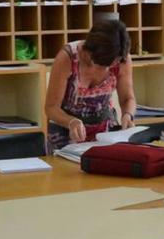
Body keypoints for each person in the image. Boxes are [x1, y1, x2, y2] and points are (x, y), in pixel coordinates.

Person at [44, 18, 136, 151]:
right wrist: (71, 122)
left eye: (113, 63)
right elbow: (51, 108)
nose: (110, 67)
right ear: (92, 52)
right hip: (65, 131)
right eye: (104, 64)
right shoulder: (68, 58)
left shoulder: (121, 58)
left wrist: (128, 114)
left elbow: (127, 98)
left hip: (105, 132)